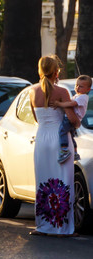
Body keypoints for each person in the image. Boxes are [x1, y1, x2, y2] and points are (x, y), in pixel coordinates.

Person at [29, 55, 80, 237]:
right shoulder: (62, 92)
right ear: (56, 71)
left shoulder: (32, 91)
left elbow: (36, 119)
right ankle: (62, 228)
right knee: (63, 181)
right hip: (59, 141)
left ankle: (43, 227)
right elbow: (73, 120)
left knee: (43, 180)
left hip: (41, 139)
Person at [53, 74, 91, 163]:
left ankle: (64, 150)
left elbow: (71, 104)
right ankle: (75, 153)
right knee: (71, 136)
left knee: (62, 131)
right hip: (72, 120)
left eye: (81, 86)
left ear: (88, 89)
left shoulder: (83, 97)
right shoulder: (78, 96)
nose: (77, 88)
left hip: (70, 120)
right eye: (76, 85)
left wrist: (59, 104)